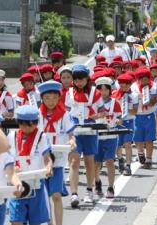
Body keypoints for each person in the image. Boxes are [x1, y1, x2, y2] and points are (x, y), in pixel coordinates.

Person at [65, 64, 104, 206]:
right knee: (74, 161)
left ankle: (89, 191)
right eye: (76, 79)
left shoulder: (95, 93)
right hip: (74, 131)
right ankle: (74, 194)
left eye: (81, 78)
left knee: (89, 162)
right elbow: (66, 112)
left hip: (90, 130)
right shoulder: (69, 93)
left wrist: (98, 115)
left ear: (87, 78)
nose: (79, 82)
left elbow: (102, 111)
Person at [38, 80, 76, 225]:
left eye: (54, 97)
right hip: (41, 160)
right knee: (45, 195)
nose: (51, 101)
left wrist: (72, 140)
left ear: (59, 97)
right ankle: (50, 223)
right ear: (42, 98)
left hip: (58, 159)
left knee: (56, 195)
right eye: (47, 98)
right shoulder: (38, 115)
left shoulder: (64, 114)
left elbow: (71, 133)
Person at [8, 105, 53, 225]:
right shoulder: (11, 136)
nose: (28, 128)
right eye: (23, 124)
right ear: (19, 123)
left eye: (32, 124)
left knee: (37, 222)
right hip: (17, 186)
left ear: (36, 123)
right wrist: (12, 169)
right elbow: (6, 159)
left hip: (36, 186)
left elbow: (47, 157)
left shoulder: (41, 137)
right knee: (16, 221)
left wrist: (49, 167)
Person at [94, 77, 122, 198]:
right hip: (97, 136)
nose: (103, 92)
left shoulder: (115, 102)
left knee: (110, 161)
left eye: (106, 89)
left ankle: (110, 187)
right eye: (100, 90)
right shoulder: (93, 103)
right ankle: (97, 181)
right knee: (96, 163)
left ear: (110, 90)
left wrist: (118, 121)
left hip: (111, 135)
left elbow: (120, 117)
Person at [131, 67, 157, 169]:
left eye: (146, 77)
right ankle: (140, 152)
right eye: (141, 78)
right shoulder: (134, 86)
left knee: (149, 139)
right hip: (138, 115)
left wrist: (150, 100)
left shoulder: (154, 86)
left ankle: (149, 159)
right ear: (138, 78)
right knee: (138, 137)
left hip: (149, 115)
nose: (144, 80)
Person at [113, 72, 138, 176]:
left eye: (126, 85)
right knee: (118, 145)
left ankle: (128, 165)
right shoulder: (115, 94)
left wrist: (127, 107)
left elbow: (135, 111)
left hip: (129, 122)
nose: (124, 87)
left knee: (128, 144)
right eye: (121, 85)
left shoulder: (134, 95)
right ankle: (120, 160)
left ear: (130, 84)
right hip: (118, 122)